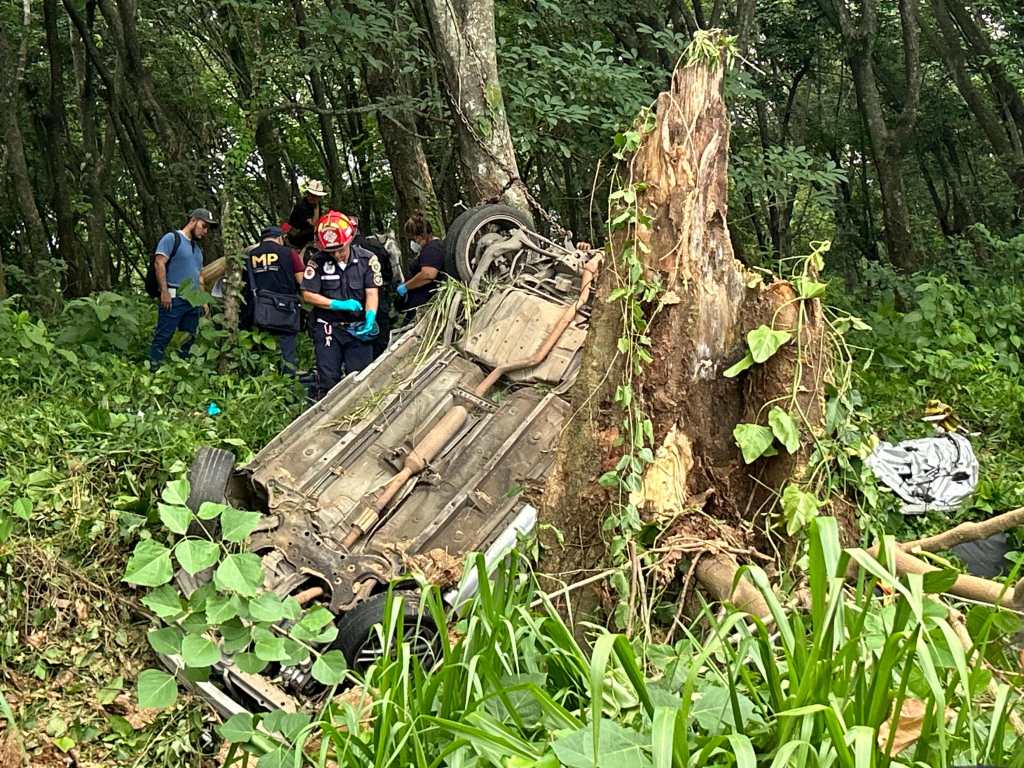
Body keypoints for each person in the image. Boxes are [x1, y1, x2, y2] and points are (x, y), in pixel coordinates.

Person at [301, 211, 382, 399]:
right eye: (331, 251)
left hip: (357, 328)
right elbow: (308, 294)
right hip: (328, 328)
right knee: (328, 380)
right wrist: (337, 304)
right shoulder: (317, 262)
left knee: (361, 378)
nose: (337, 255)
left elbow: (371, 292)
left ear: (350, 241)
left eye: (341, 249)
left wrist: (370, 317)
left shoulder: (367, 260)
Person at [148, 208, 216, 368]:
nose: (205, 231)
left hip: (193, 301)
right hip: (173, 296)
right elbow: (159, 263)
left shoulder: (198, 251)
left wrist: (204, 301)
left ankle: (182, 368)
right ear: (193, 220)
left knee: (189, 336)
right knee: (164, 335)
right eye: (204, 225)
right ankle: (153, 366)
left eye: (208, 228)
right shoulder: (172, 238)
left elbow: (199, 277)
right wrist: (164, 291)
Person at [241, 226, 305, 373]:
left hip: (257, 311)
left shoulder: (249, 255)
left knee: (260, 351)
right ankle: (288, 384)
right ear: (279, 238)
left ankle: (263, 382)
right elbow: (303, 282)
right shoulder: (289, 253)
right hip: (285, 310)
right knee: (287, 352)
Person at [349, 215, 394, 359]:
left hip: (356, 300)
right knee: (380, 333)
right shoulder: (373, 245)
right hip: (377, 295)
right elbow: (388, 271)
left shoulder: (340, 250)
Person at [396, 210, 445, 319]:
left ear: (420, 236)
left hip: (425, 302)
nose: (413, 242)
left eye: (413, 239)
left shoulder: (432, 249)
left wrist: (406, 287)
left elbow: (428, 274)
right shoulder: (427, 248)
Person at [287, 179, 327, 251]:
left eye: (316, 196)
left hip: (307, 233)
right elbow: (314, 224)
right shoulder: (302, 206)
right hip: (296, 235)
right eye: (311, 195)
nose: (313, 197)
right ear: (308, 194)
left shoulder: (316, 205)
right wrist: (316, 207)